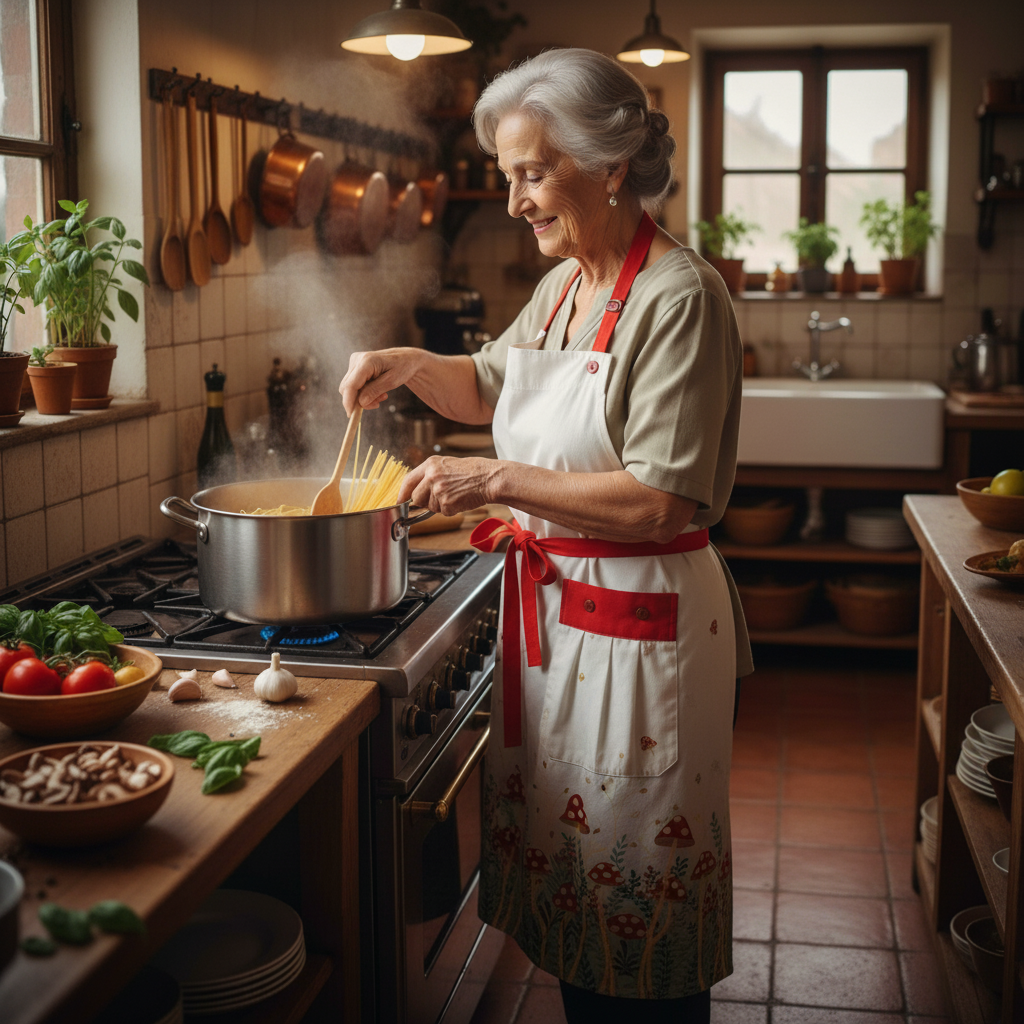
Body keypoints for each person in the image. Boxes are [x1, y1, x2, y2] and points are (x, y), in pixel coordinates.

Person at [339, 47, 752, 1023]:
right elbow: (486, 380)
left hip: (642, 633)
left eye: (532, 171)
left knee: (638, 911)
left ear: (608, 166)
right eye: (510, 172)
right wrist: (407, 364)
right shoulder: (567, 285)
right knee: (579, 897)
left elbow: (666, 500)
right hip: (564, 627)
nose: (516, 197)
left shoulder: (677, 299)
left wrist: (489, 476)